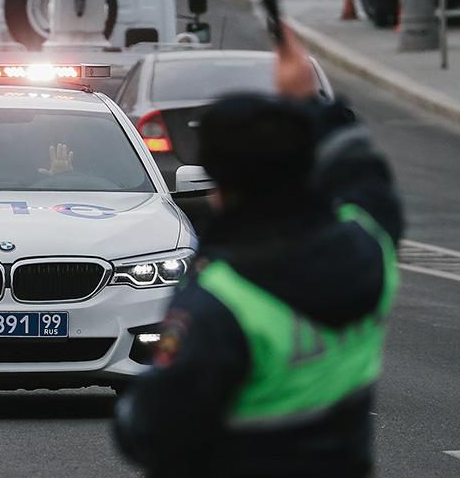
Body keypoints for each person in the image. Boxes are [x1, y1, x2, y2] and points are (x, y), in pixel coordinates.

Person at [114, 27, 404, 478]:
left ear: (219, 186)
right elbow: (365, 177)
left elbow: (152, 430)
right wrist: (311, 105)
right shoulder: (370, 253)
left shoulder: (220, 300)